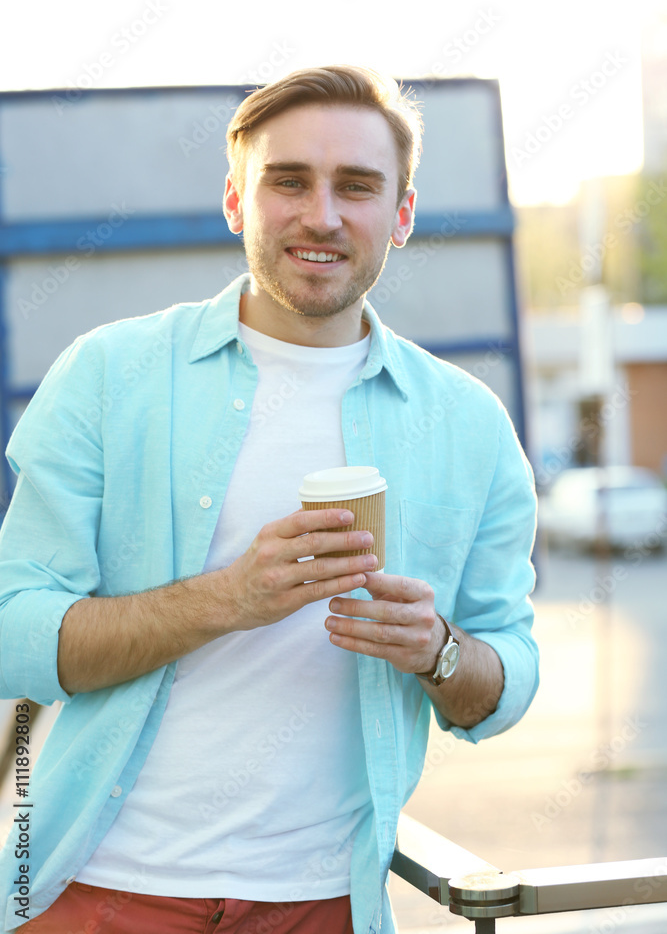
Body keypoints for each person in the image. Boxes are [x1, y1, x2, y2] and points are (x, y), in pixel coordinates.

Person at [0, 65, 539, 934]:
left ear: (400, 216)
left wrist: (438, 650)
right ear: (234, 202)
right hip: (93, 887)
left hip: (322, 904)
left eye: (356, 186)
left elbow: (506, 677)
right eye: (287, 181)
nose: (321, 215)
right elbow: (11, 636)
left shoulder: (468, 425)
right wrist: (227, 598)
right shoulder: (107, 375)